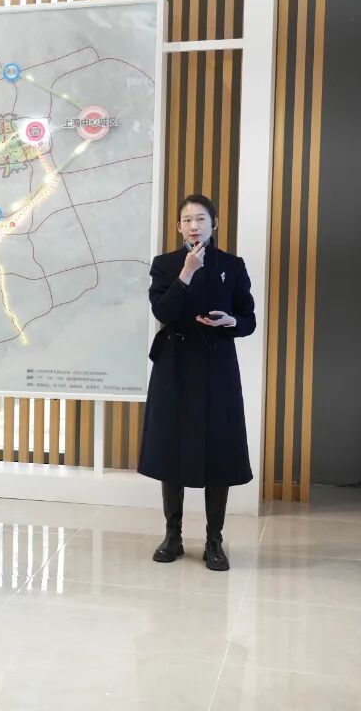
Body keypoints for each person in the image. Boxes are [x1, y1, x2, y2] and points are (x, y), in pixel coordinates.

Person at [138, 193, 256, 572]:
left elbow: (248, 318)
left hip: (217, 366)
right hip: (174, 365)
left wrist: (231, 321)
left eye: (201, 219)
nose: (194, 226)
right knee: (172, 449)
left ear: (213, 224)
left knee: (218, 450)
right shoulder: (166, 264)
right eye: (187, 220)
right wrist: (186, 274)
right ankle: (172, 536)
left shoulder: (232, 265)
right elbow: (163, 311)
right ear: (179, 227)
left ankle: (214, 540)